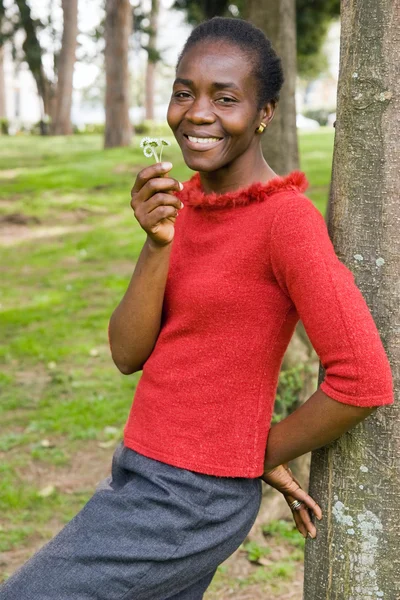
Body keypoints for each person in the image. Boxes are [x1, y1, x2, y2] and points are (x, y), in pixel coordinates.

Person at [1, 16, 394, 600]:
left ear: (266, 113)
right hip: (140, 466)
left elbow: (364, 379)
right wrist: (157, 241)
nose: (197, 112)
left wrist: (254, 452)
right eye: (184, 92)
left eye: (226, 98)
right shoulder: (181, 207)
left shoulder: (285, 223)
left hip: (192, 495)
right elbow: (128, 353)